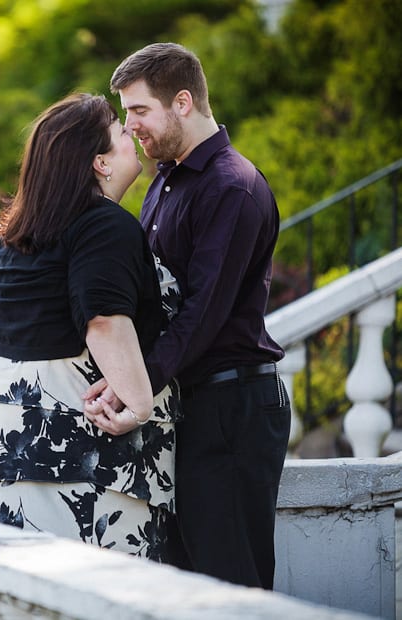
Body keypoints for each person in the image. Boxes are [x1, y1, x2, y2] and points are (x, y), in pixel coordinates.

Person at [84, 43, 290, 589]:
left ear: (181, 102)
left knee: (231, 583)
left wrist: (134, 387)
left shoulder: (232, 186)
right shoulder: (167, 181)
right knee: (184, 582)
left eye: (139, 111)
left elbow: (201, 313)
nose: (131, 127)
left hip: (232, 407)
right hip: (190, 405)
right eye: (125, 114)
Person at [0, 92, 182, 561]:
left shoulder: (22, 235)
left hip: (0, 448)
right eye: (120, 130)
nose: (130, 134)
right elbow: (103, 320)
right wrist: (137, 405)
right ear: (99, 162)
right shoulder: (104, 226)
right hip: (80, 462)